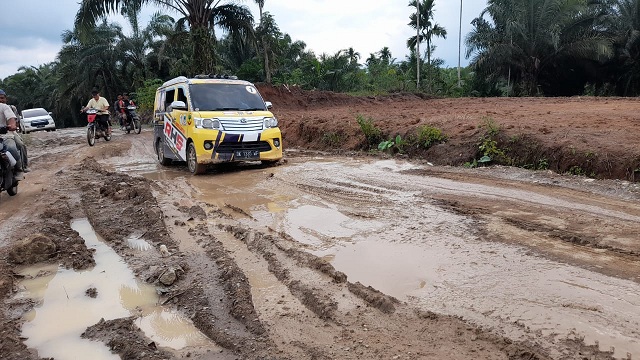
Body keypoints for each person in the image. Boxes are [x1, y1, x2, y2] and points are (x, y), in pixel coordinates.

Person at [0, 90, 30, 173]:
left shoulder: (9, 108)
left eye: (2, 98)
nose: (1, 100)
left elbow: (12, 119)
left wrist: (12, 126)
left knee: (19, 145)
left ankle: (21, 166)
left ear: (6, 99)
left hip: (7, 134)